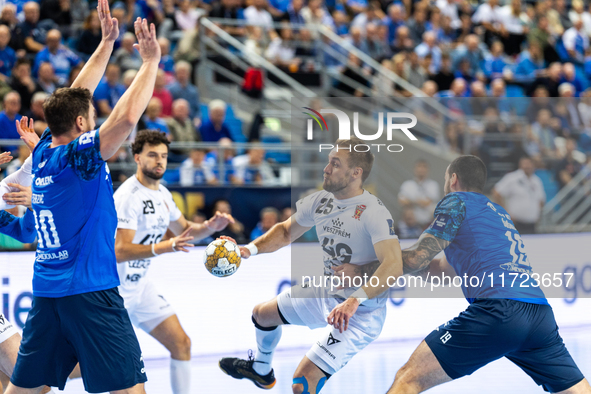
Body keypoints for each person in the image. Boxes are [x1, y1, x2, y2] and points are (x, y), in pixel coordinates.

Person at [5, 2, 161, 392]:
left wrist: (107, 44)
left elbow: (76, 93)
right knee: (130, 389)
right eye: (89, 115)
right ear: (80, 124)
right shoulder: (77, 156)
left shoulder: (42, 151)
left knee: (24, 390)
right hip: (91, 293)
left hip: (47, 296)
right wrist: (149, 64)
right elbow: (125, 121)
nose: (92, 115)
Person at [380, 155, 590, 394]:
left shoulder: (455, 202)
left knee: (409, 378)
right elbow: (443, 272)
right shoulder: (498, 213)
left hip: (499, 311)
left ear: (453, 180)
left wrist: (373, 262)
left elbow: (418, 257)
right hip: (539, 315)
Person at [218, 137, 402, 393]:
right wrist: (248, 249)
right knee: (262, 315)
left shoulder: (373, 212)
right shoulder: (321, 201)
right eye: (328, 162)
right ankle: (261, 370)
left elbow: (394, 265)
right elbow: (284, 232)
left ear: (355, 173)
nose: (326, 169)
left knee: (302, 382)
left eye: (335, 164)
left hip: (360, 312)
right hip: (327, 292)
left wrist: (355, 299)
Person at [113, 130, 233, 394]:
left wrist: (210, 226)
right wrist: (165, 247)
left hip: (140, 287)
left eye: (164, 156)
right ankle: (37, 381)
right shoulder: (128, 197)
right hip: (113, 292)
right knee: (89, 364)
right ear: (137, 158)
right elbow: (119, 250)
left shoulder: (164, 194)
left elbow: (185, 230)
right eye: (153, 155)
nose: (160, 161)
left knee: (181, 344)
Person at [492, 156, 546, 234]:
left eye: (529, 163)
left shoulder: (536, 180)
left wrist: (537, 214)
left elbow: (541, 200)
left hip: (532, 224)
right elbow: (496, 192)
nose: (527, 166)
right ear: (520, 165)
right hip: (516, 224)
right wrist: (505, 212)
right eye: (525, 164)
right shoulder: (512, 178)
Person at [398, 160, 440, 228]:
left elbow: (427, 203)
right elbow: (402, 201)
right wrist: (419, 201)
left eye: (424, 167)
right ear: (414, 169)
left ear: (427, 170)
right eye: (419, 166)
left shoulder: (433, 185)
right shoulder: (407, 184)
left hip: (428, 222)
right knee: (407, 211)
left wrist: (411, 200)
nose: (421, 169)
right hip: (411, 222)